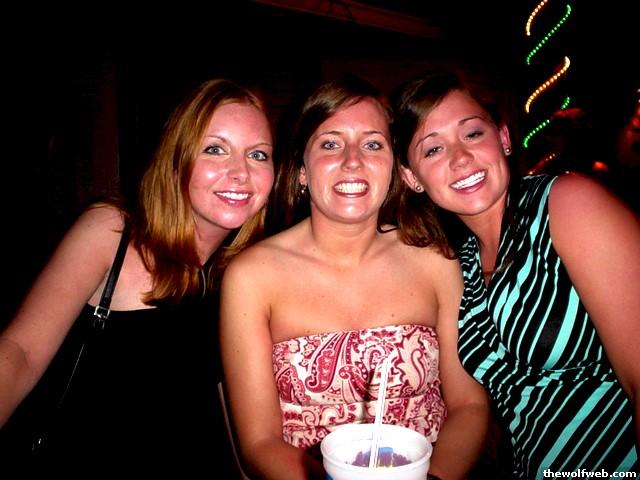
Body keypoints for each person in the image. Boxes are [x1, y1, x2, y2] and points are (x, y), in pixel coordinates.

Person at [220, 75, 489, 480]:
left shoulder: (436, 260)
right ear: (302, 170)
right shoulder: (251, 277)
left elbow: (470, 405)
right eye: (330, 144)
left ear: (395, 167)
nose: (352, 161)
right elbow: (259, 442)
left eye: (372, 144)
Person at [0, 78, 275, 476]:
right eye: (215, 149)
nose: (241, 172)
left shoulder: (241, 274)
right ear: (176, 161)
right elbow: (20, 352)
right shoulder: (113, 232)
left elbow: (229, 410)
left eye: (258, 154)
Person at [392, 65, 640, 478]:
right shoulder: (461, 262)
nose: (460, 157)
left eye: (473, 134)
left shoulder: (567, 204)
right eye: (432, 150)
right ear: (411, 177)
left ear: (503, 138)